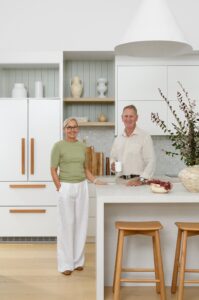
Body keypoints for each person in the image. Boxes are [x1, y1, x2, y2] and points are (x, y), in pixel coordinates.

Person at [51, 118, 105, 276]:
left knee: (81, 223)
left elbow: (85, 169)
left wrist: (95, 180)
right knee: (66, 224)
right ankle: (66, 264)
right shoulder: (58, 146)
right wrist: (59, 188)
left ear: (78, 129)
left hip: (82, 186)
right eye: (69, 127)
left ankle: (78, 261)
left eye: (75, 127)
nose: (72, 130)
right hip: (66, 187)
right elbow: (53, 169)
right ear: (64, 129)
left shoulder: (82, 147)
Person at [110, 105, 155, 186]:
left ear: (136, 118)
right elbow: (113, 157)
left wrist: (141, 180)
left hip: (137, 182)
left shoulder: (145, 137)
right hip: (120, 182)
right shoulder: (118, 139)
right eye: (126, 116)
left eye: (131, 116)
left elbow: (151, 161)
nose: (128, 119)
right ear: (122, 118)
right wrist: (112, 165)